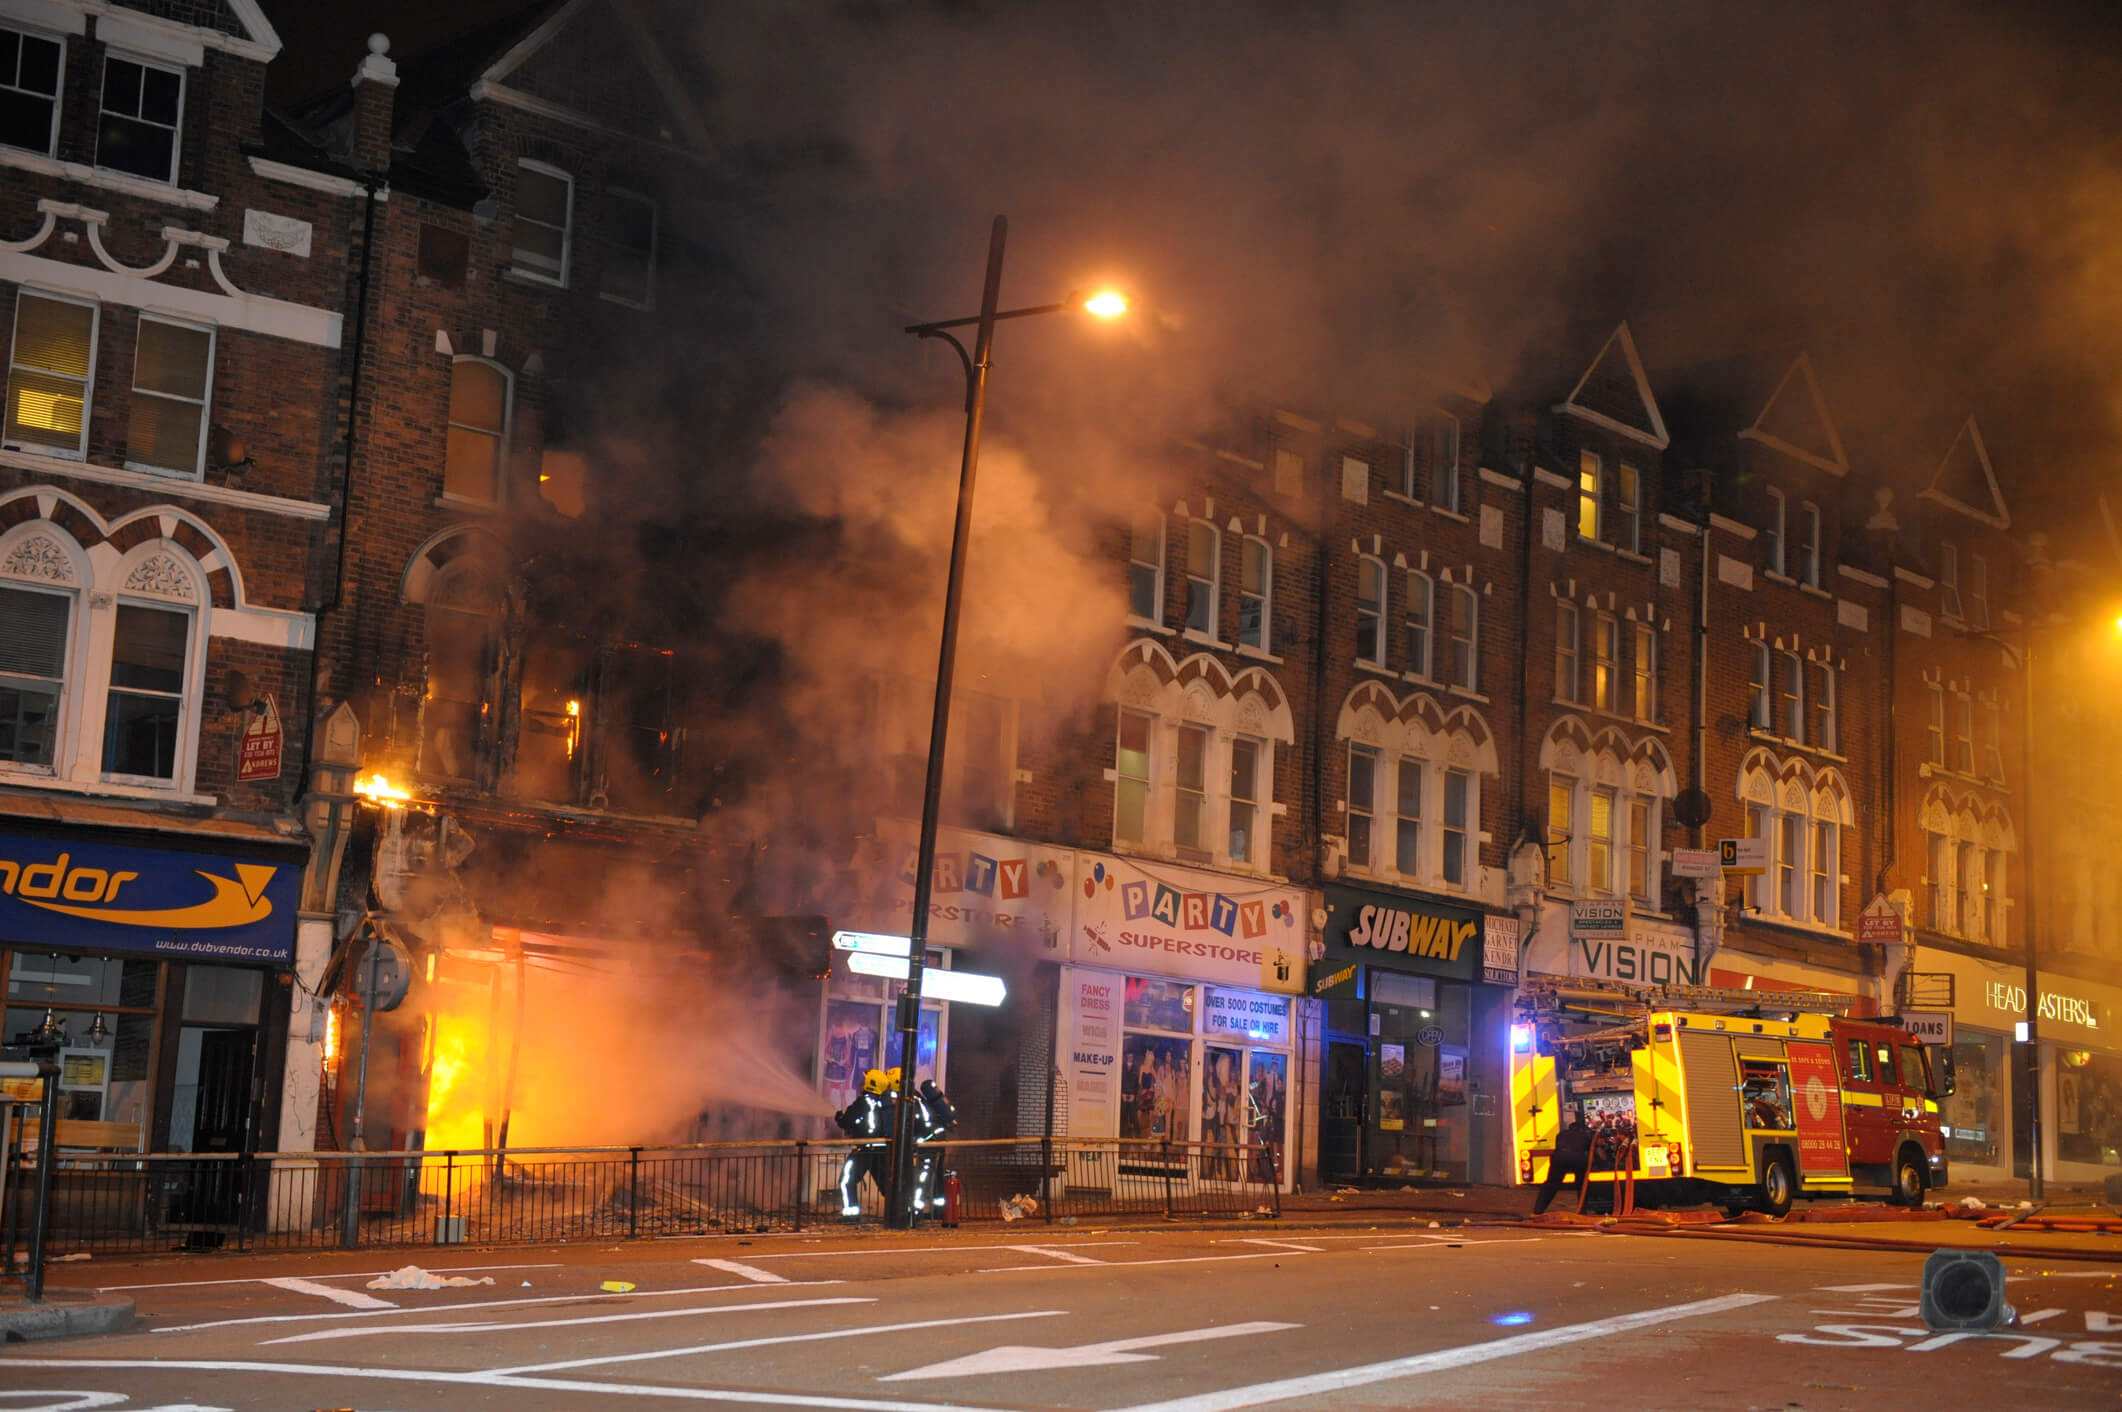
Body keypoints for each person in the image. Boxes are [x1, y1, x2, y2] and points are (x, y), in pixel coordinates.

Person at [832, 1067, 900, 1219]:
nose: (861, 1084)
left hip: (863, 1151)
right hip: (881, 1151)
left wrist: (839, 1118)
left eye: (865, 1081)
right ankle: (898, 1214)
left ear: (870, 1083)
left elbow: (846, 1122)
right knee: (886, 1186)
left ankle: (851, 1215)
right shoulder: (884, 1103)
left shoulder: (862, 1103)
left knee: (846, 1181)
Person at [907, 1078, 958, 1221]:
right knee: (936, 1178)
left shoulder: (915, 1103)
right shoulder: (923, 1101)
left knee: (923, 1178)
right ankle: (939, 1211)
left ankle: (916, 1212)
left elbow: (920, 1124)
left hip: (930, 1145)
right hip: (938, 1142)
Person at [1532, 1107, 1593, 1215]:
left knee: (1551, 1184)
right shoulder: (1584, 1135)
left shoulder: (1561, 1134)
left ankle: (1538, 1210)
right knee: (1582, 1184)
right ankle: (1582, 1211)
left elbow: (1558, 1147)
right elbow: (1591, 1151)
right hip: (1577, 1158)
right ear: (1580, 1129)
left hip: (1559, 1158)